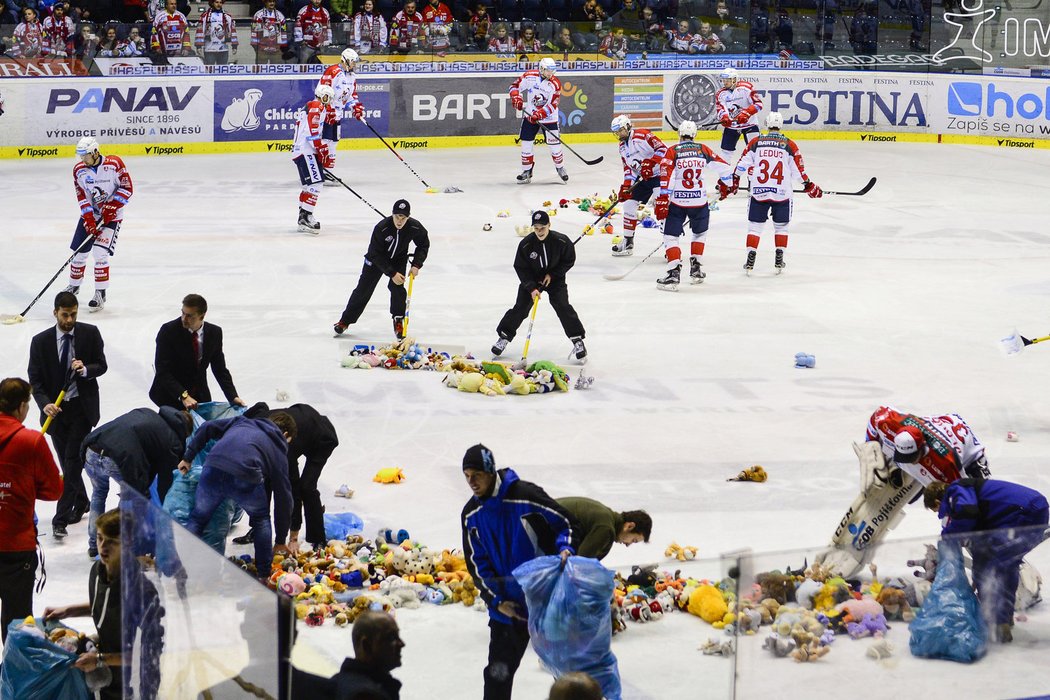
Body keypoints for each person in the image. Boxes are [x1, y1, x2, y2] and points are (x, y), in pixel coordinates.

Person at [460, 444, 578, 700]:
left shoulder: (525, 496)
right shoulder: (471, 515)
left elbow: (566, 523)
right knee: (497, 675)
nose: (471, 482)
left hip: (546, 602)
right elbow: (476, 564)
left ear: (490, 471)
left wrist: (565, 548)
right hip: (508, 611)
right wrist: (497, 601)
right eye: (467, 476)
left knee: (570, 676)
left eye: (476, 474)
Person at [45, 508, 163, 700]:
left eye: (112, 542)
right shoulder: (97, 571)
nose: (103, 547)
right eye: (100, 538)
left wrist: (100, 659)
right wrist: (68, 611)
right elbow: (105, 605)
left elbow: (151, 653)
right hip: (108, 676)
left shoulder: (143, 591)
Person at [924, 478, 1049, 642]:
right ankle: (1002, 619)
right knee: (1007, 563)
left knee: (992, 567)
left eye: (937, 510)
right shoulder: (967, 494)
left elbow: (967, 513)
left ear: (937, 501)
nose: (942, 515)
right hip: (1032, 511)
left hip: (1023, 513)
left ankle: (996, 620)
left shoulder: (956, 489)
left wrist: (947, 536)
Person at [28, 291, 107, 539]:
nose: (70, 319)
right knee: (67, 462)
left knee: (72, 461)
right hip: (56, 412)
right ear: (55, 313)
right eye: (65, 315)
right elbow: (36, 380)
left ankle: (60, 518)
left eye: (73, 314)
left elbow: (101, 365)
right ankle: (82, 500)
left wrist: (85, 370)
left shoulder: (90, 333)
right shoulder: (40, 342)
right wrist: (45, 404)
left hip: (82, 410)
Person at [178, 412, 296, 573]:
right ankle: (263, 574)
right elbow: (284, 498)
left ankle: (181, 566)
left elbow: (207, 427)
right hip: (245, 477)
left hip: (213, 467)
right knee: (261, 520)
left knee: (198, 518)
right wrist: (281, 539)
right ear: (285, 434)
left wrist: (188, 457)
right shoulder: (278, 449)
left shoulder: (241, 422)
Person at [80, 407, 193, 556]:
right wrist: (166, 506)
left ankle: (95, 544)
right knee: (129, 502)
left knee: (98, 493)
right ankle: (118, 546)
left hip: (92, 450)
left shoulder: (146, 413)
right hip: (116, 459)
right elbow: (166, 481)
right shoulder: (172, 439)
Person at [0, 378, 63, 643]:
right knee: (17, 623)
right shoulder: (32, 441)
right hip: (16, 547)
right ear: (23, 406)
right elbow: (54, 491)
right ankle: (15, 677)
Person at [721, 111, 821, 273]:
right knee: (781, 227)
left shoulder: (756, 142)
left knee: (754, 227)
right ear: (780, 126)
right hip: (782, 193)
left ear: (767, 125)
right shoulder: (789, 144)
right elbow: (798, 171)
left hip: (759, 191)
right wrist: (808, 185)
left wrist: (735, 179)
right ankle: (779, 257)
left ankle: (750, 257)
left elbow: (742, 164)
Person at [235, 402, 338, 551]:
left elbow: (290, 493)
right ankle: (258, 529)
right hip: (300, 421)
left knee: (306, 487)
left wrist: (292, 537)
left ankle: (317, 537)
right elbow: (261, 405)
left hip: (321, 438)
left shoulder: (285, 450)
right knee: (264, 480)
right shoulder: (256, 422)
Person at [492, 210, 587, 362]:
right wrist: (531, 288)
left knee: (563, 306)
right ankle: (504, 337)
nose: (539, 231)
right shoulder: (526, 244)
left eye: (542, 227)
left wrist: (554, 274)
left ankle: (577, 340)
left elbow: (569, 260)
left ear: (549, 225)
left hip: (555, 279)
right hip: (532, 279)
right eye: (536, 228)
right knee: (520, 308)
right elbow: (520, 267)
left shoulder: (561, 241)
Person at [333, 199, 430, 339]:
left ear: (408, 217)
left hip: (398, 258)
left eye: (403, 217)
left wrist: (416, 264)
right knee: (363, 290)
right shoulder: (382, 228)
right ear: (392, 215)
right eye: (397, 216)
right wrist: (392, 273)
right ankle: (345, 321)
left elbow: (423, 244)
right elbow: (374, 253)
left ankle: (398, 320)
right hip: (376, 260)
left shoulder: (414, 227)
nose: (400, 221)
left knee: (397, 288)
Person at [653, 119, 728, 289]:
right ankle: (696, 268)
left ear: (679, 134)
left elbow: (666, 176)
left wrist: (663, 198)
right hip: (699, 201)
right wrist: (728, 184)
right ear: (694, 135)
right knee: (700, 234)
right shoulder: (703, 149)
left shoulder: (673, 151)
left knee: (671, 236)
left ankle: (673, 272)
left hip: (678, 201)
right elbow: (724, 168)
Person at [65, 136, 133, 312]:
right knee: (79, 252)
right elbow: (82, 196)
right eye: (80, 156)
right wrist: (88, 218)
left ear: (95, 152)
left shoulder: (114, 164)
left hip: (112, 217)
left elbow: (127, 188)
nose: (82, 159)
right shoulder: (79, 170)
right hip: (91, 216)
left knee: (100, 253)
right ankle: (73, 286)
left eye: (85, 155)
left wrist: (112, 207)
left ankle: (100, 294)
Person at [148, 294, 245, 410]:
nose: (184, 319)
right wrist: (183, 396)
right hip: (170, 396)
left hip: (199, 395)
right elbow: (162, 370)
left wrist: (232, 396)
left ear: (202, 316)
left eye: (189, 316)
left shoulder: (214, 333)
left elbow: (220, 369)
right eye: (183, 313)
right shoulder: (169, 331)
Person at [866, 405, 990, 488]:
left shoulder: (945, 462)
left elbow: (960, 492)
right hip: (942, 423)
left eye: (912, 458)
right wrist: (872, 450)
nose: (911, 462)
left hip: (969, 453)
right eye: (904, 457)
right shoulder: (888, 422)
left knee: (982, 495)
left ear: (922, 446)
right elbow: (876, 417)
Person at [610, 113, 667, 256]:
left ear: (628, 127)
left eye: (620, 131)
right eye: (616, 132)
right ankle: (628, 242)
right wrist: (626, 187)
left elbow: (663, 150)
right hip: (643, 178)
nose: (618, 134)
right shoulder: (622, 146)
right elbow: (629, 169)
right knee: (629, 203)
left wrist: (651, 162)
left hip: (660, 175)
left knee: (662, 207)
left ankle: (669, 245)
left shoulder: (643, 135)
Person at [509, 57, 567, 184]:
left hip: (549, 118)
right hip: (530, 115)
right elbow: (514, 86)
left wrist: (540, 114)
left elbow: (553, 104)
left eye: (552, 71)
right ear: (541, 69)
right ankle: (527, 171)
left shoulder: (555, 83)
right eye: (548, 70)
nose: (550, 73)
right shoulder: (529, 76)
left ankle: (560, 168)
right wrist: (516, 98)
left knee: (554, 145)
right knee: (526, 143)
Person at [292, 83, 337, 233]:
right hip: (306, 151)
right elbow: (312, 132)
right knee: (316, 184)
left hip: (301, 151)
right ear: (321, 95)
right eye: (327, 97)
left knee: (308, 186)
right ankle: (306, 217)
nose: (329, 100)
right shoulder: (317, 106)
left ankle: (303, 217)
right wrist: (322, 149)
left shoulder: (313, 106)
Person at [318, 48, 366, 180]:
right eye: (353, 62)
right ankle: (318, 170)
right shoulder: (333, 72)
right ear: (347, 61)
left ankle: (327, 171)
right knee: (324, 140)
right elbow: (321, 91)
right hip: (325, 113)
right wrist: (328, 109)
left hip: (337, 114)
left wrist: (355, 108)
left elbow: (351, 96)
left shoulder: (352, 76)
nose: (355, 65)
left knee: (334, 140)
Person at [714, 67, 763, 192]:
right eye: (723, 80)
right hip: (732, 127)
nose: (724, 82)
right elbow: (721, 110)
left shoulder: (747, 87)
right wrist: (724, 118)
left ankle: (753, 182)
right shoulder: (721, 94)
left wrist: (746, 113)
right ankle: (725, 181)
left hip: (750, 125)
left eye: (727, 80)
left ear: (735, 79)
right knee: (726, 154)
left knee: (755, 153)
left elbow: (758, 104)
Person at [556, 497, 651, 560]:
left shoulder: (607, 517)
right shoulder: (606, 529)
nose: (628, 545)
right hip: (545, 525)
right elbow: (579, 563)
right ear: (629, 526)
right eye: (633, 540)